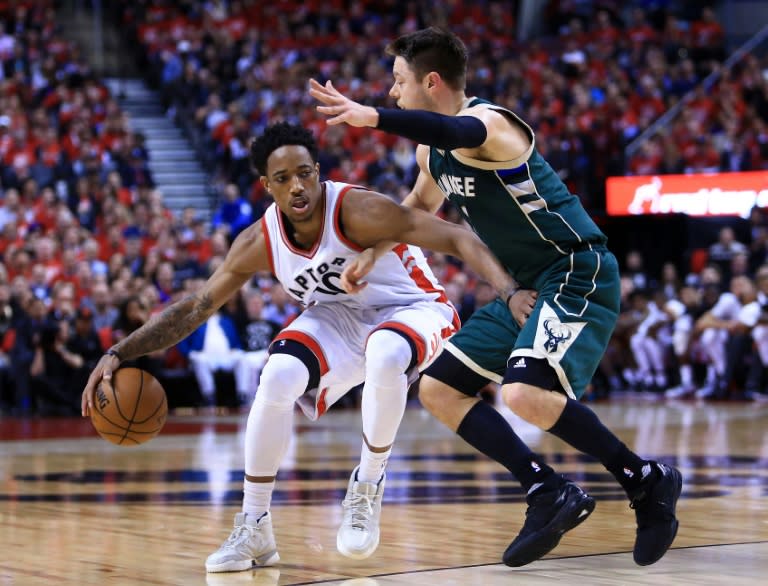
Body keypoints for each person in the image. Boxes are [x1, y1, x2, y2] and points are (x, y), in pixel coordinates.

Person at [310, 26, 682, 567]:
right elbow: (417, 208)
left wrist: (374, 117)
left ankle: (645, 479)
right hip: (526, 285)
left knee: (523, 394)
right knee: (438, 388)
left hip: (576, 269)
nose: (391, 93)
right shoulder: (430, 154)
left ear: (431, 82)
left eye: (397, 82)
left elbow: (455, 127)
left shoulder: (493, 126)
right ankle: (546, 490)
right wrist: (374, 252)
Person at [81, 122, 527, 573]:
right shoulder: (260, 240)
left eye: (304, 173)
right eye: (283, 178)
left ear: (317, 172)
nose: (297, 186)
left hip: (413, 307)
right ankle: (254, 524)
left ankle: (367, 486)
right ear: (266, 185)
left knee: (387, 352)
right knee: (275, 376)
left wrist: (510, 293)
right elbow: (196, 307)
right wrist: (119, 352)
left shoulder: (358, 210)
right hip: (340, 317)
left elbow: (457, 237)